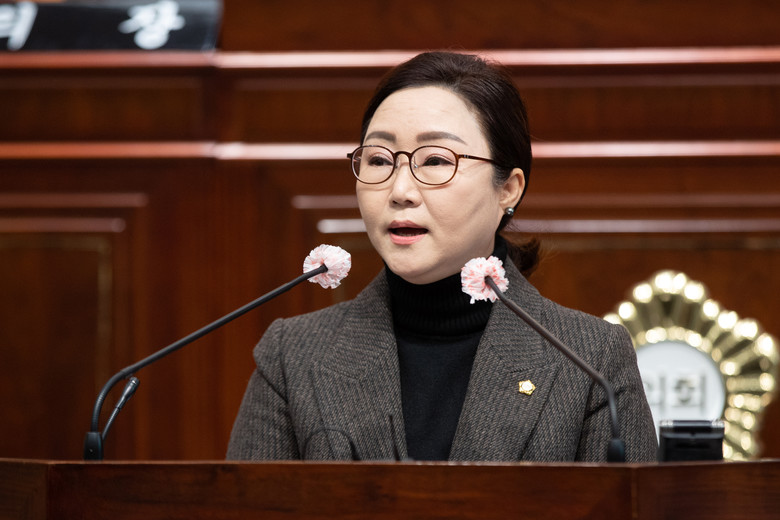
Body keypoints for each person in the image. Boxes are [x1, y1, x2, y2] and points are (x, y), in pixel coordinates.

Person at [227, 51, 657, 462]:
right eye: (379, 160)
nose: (400, 191)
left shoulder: (591, 361)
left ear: (508, 189)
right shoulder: (292, 357)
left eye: (434, 160)